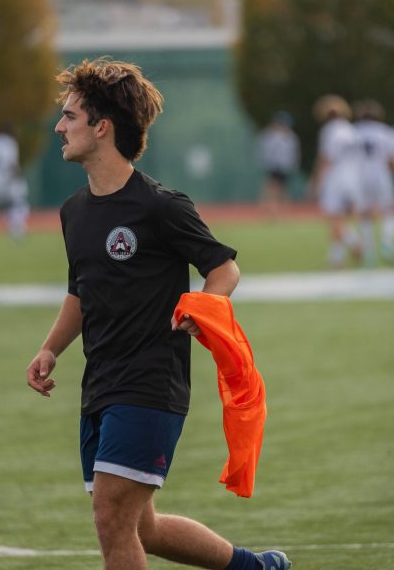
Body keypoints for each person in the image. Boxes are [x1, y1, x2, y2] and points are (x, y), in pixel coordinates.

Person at [26, 59, 292, 570]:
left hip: (150, 384)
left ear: (101, 127)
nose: (60, 126)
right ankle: (254, 567)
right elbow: (80, 292)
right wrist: (49, 349)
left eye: (70, 116)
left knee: (111, 520)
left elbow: (224, 269)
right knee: (138, 526)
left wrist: (203, 308)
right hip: (99, 384)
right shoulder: (73, 211)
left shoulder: (161, 206)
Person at [311, 94, 363, 269]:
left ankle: (354, 244)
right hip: (352, 177)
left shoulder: (330, 130)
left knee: (335, 219)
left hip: (336, 177)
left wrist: (316, 181)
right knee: (341, 219)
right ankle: (337, 258)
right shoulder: (351, 130)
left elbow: (326, 157)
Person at [353, 99, 394, 266]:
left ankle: (369, 255)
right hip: (380, 175)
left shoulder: (353, 131)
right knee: (389, 211)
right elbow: (391, 159)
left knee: (365, 215)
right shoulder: (385, 132)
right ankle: (386, 240)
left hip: (360, 176)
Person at [256, 111, 301, 218]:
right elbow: (264, 151)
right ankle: (269, 211)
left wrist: (293, 165)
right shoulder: (269, 135)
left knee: (284, 189)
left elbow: (294, 153)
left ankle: (285, 212)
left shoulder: (291, 137)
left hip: (285, 166)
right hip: (273, 165)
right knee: (271, 188)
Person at [0, 126, 29, 239]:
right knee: (20, 203)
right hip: (8, 177)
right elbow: (11, 163)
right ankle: (16, 230)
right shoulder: (10, 142)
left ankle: (12, 226)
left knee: (10, 204)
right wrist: (17, 176)